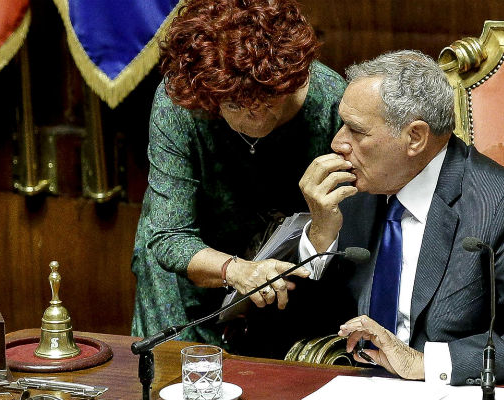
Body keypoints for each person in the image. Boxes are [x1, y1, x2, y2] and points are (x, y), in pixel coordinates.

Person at [298, 50, 504, 384]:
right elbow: (313, 327)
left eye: (356, 131)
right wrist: (320, 234)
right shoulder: (352, 186)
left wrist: (424, 363)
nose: (337, 143)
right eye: (341, 124)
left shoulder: (500, 205)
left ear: (415, 138)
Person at [131, 0, 347, 356]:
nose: (255, 120)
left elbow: (348, 222)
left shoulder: (329, 99)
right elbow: (169, 236)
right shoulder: (179, 103)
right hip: (187, 269)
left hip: (286, 275)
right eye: (234, 106)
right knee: (176, 372)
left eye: (269, 101)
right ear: (208, 97)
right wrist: (236, 270)